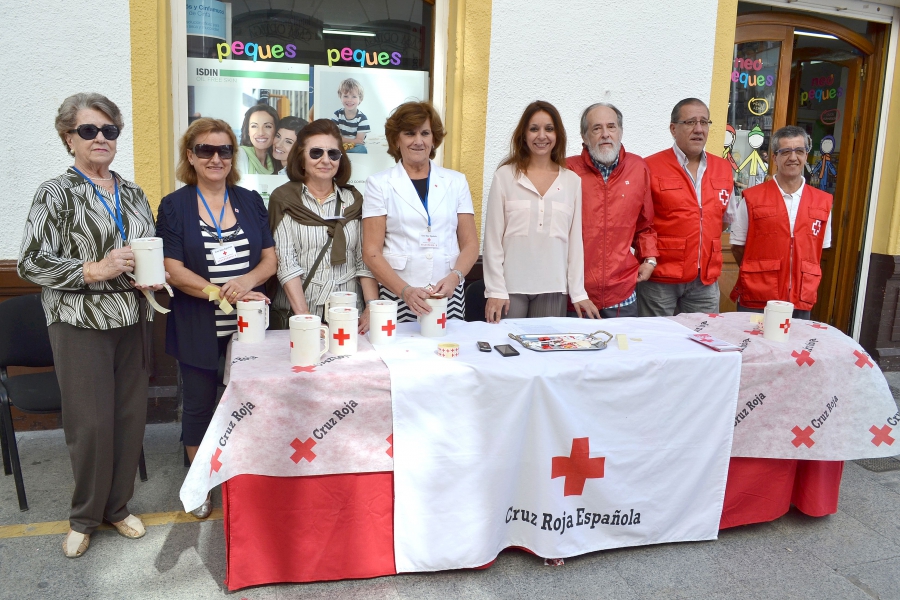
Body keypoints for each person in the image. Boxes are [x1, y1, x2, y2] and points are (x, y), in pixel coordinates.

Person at [18, 93, 164, 557]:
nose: (101, 138)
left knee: (129, 418)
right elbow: (30, 262)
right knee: (91, 425)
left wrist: (152, 276)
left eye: (109, 130)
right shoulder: (55, 192)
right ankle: (84, 517)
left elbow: (147, 248)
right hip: (80, 321)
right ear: (69, 138)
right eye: (88, 130)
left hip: (132, 317)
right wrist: (93, 269)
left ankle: (117, 508)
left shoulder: (133, 192)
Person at [156, 117, 276, 519]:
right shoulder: (175, 206)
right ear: (190, 156)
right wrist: (218, 293)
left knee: (249, 402)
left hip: (249, 326)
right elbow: (172, 268)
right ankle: (200, 481)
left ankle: (244, 474)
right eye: (205, 150)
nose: (215, 158)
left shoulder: (250, 201)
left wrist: (245, 282)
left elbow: (269, 260)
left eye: (224, 150)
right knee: (200, 404)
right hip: (198, 322)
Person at [482, 101, 598, 322]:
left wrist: (578, 292)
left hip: (553, 288)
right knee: (506, 343)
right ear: (524, 135)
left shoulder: (572, 181)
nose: (542, 136)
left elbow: (575, 243)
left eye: (549, 129)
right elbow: (492, 240)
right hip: (509, 289)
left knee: (545, 344)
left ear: (558, 135)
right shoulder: (505, 177)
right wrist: (495, 289)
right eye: (534, 129)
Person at [362, 101, 478, 321]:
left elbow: (471, 244)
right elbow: (371, 251)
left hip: (447, 293)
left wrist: (455, 277)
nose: (418, 141)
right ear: (396, 140)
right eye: (409, 133)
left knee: (448, 343)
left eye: (425, 133)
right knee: (399, 344)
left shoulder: (456, 182)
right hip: (398, 294)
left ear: (433, 139)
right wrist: (404, 291)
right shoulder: (379, 184)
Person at [268, 119, 378, 330]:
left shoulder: (354, 201)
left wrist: (370, 307)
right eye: (316, 153)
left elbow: (364, 260)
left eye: (333, 154)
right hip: (298, 315)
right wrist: (306, 318)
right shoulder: (284, 199)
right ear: (301, 158)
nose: (325, 160)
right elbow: (286, 263)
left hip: (349, 315)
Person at [639, 98, 734, 316]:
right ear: (673, 129)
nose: (699, 129)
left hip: (705, 280)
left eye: (704, 122)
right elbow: (640, 224)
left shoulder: (723, 168)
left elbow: (723, 220)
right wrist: (650, 258)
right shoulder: (649, 166)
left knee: (703, 334)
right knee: (656, 335)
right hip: (660, 276)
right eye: (690, 122)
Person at [729, 125, 833, 319]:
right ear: (774, 158)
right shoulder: (752, 198)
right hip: (758, 296)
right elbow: (737, 247)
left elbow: (818, 250)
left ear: (806, 155)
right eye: (785, 152)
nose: (793, 157)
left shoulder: (823, 202)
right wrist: (758, 272)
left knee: (795, 339)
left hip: (801, 298)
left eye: (799, 151)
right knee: (752, 339)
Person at [567, 102, 657, 318]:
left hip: (622, 294)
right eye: (596, 128)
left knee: (621, 342)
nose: (605, 134)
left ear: (621, 131)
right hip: (576, 295)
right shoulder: (567, 170)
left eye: (611, 127)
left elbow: (646, 225)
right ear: (584, 136)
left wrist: (650, 258)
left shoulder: (638, 168)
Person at [236, 104, 279, 175]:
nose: (260, 133)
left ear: (276, 130)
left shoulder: (275, 161)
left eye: (267, 126)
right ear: (248, 131)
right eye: (254, 126)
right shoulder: (239, 155)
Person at [332, 78, 370, 154]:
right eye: (346, 96)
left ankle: (344, 155)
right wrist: (352, 140)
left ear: (360, 99)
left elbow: (359, 141)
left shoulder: (362, 118)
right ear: (340, 97)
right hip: (339, 146)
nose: (349, 100)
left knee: (361, 149)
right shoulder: (337, 115)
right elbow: (334, 137)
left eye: (354, 96)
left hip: (354, 147)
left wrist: (341, 139)